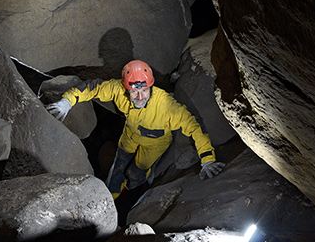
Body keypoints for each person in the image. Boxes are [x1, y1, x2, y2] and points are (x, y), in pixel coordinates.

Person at [47, 60, 225, 199]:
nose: (140, 97)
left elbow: (195, 128)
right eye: (134, 92)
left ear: (150, 87)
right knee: (118, 167)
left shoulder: (167, 107)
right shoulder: (118, 90)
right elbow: (92, 87)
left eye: (144, 91)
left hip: (154, 144)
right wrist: (67, 101)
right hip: (130, 136)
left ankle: (134, 188)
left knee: (136, 172)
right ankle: (111, 198)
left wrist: (207, 159)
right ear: (126, 89)